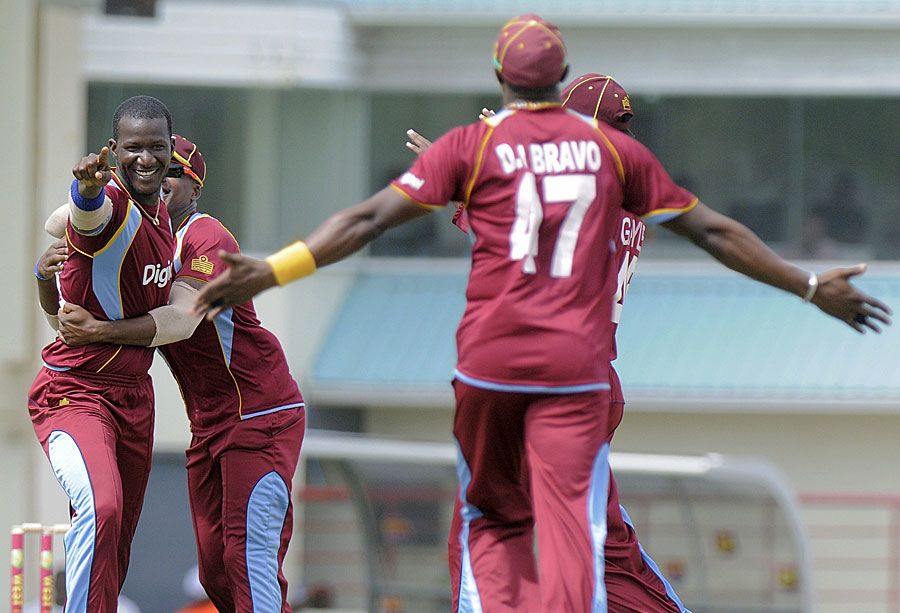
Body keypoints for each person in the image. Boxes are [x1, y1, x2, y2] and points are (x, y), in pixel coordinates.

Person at [193, 14, 890, 611]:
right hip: (581, 377)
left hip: (492, 369)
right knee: (581, 538)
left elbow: (383, 217)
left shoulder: (482, 148)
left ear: (501, 74)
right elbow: (705, 230)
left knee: (486, 521)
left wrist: (282, 264)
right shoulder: (618, 163)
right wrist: (806, 284)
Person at [49, 135, 306, 612]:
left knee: (247, 561)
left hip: (258, 412)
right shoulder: (141, 230)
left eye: (174, 172)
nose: (161, 179)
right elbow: (56, 224)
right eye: (156, 170)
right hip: (209, 421)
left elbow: (183, 321)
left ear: (195, 188)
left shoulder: (205, 235)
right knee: (215, 573)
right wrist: (87, 195)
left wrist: (100, 330)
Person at [28, 95, 176, 613]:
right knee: (103, 506)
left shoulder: (166, 223)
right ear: (114, 152)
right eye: (133, 148)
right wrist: (85, 188)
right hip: (76, 392)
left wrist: (45, 281)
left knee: (117, 543)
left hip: (135, 399)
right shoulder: (113, 206)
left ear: (171, 152)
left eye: (156, 146)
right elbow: (89, 217)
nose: (146, 158)